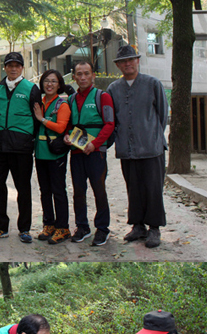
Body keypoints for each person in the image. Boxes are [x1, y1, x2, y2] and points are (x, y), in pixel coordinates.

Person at [108, 45, 169, 249]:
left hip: (151, 148)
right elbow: (111, 119)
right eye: (123, 61)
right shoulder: (113, 89)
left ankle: (154, 228)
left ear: (138, 61)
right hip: (128, 148)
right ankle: (138, 225)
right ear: (118, 65)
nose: (128, 64)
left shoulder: (153, 84)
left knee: (153, 188)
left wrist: (153, 137)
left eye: (131, 60)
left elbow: (162, 114)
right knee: (133, 188)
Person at [0, 52, 41, 244]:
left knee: (23, 188)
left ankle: (24, 228)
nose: (13, 68)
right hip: (0, 147)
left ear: (22, 68)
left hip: (22, 148)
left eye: (17, 65)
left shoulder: (32, 89)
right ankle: (0, 226)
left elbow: (37, 119)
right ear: (5, 67)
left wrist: (32, 141)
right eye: (9, 65)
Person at [63, 61, 115, 246]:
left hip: (96, 152)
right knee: (78, 191)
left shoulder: (103, 97)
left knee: (98, 189)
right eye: (79, 74)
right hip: (76, 152)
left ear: (93, 75)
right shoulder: (70, 100)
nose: (83, 77)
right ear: (74, 77)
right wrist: (67, 136)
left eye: (86, 73)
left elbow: (110, 124)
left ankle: (102, 228)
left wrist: (95, 144)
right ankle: (82, 227)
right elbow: (69, 125)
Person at [33, 69, 72, 244]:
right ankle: (48, 224)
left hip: (56, 154)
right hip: (40, 154)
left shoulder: (62, 105)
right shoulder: (39, 103)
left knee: (58, 191)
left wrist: (41, 119)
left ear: (59, 85)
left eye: (53, 81)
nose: (49, 84)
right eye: (46, 81)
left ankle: (62, 227)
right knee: (45, 191)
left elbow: (60, 127)